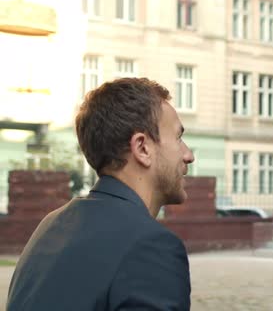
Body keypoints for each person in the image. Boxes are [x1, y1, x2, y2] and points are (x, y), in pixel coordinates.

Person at [7, 78, 195, 310]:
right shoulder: (151, 246)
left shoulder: (51, 226)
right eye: (178, 137)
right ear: (142, 148)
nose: (188, 155)